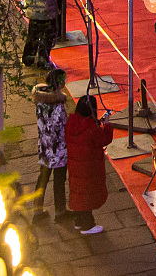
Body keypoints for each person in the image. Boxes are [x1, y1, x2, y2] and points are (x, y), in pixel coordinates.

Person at [64, 95, 115, 234]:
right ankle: (88, 225)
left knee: (78, 192)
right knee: (87, 195)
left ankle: (79, 221)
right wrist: (107, 125)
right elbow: (104, 139)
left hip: (75, 166)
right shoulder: (92, 129)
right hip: (89, 168)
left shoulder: (72, 122)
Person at [32, 68, 69, 219]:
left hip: (45, 146)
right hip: (58, 149)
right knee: (59, 181)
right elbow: (62, 127)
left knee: (43, 178)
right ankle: (60, 211)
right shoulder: (58, 107)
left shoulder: (40, 101)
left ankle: (37, 211)